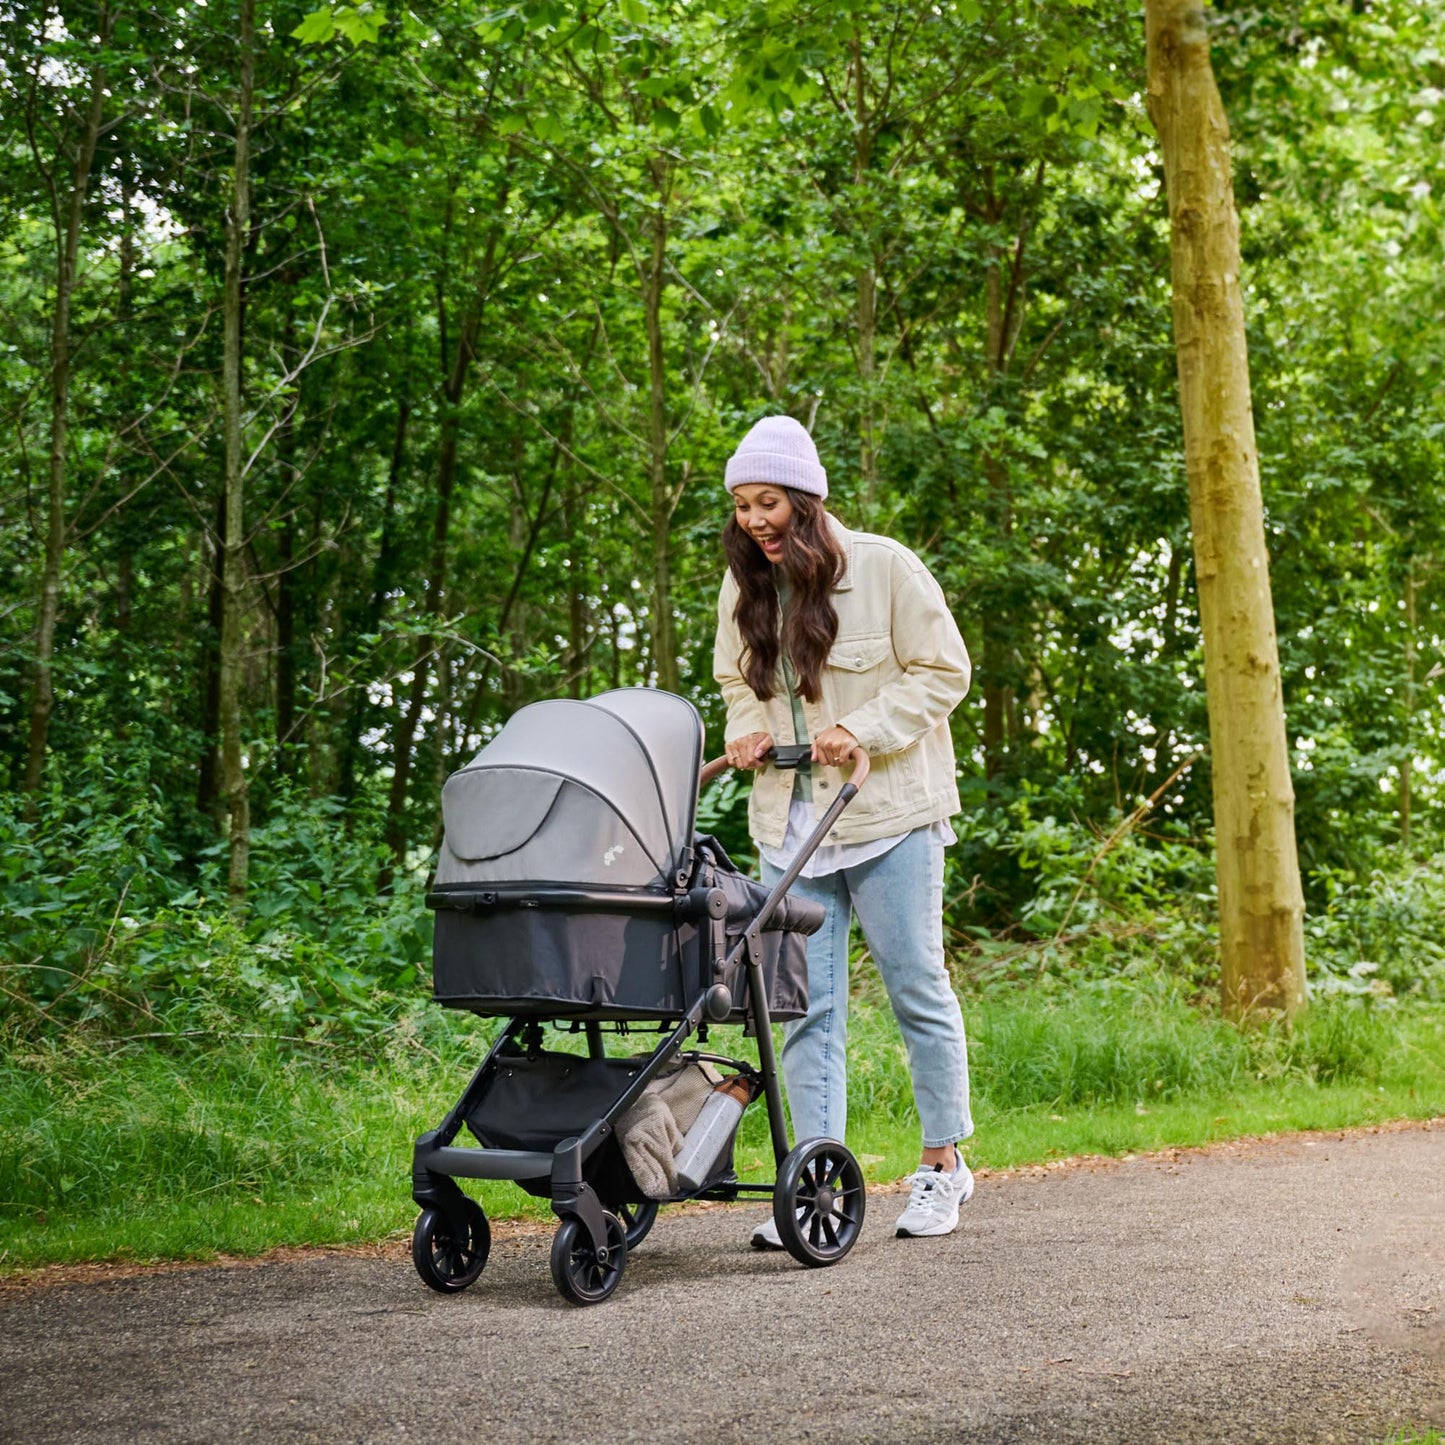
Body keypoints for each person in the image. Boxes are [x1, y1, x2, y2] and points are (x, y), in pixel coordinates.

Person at [712, 413, 976, 1244]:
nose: (754, 520)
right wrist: (746, 731)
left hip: (888, 814)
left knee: (915, 984)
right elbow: (735, 683)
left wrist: (865, 726)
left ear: (805, 499)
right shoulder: (742, 584)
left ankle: (942, 1166)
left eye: (767, 502)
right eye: (742, 504)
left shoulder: (887, 568)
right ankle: (814, 1180)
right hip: (791, 823)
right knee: (805, 1008)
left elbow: (945, 671)